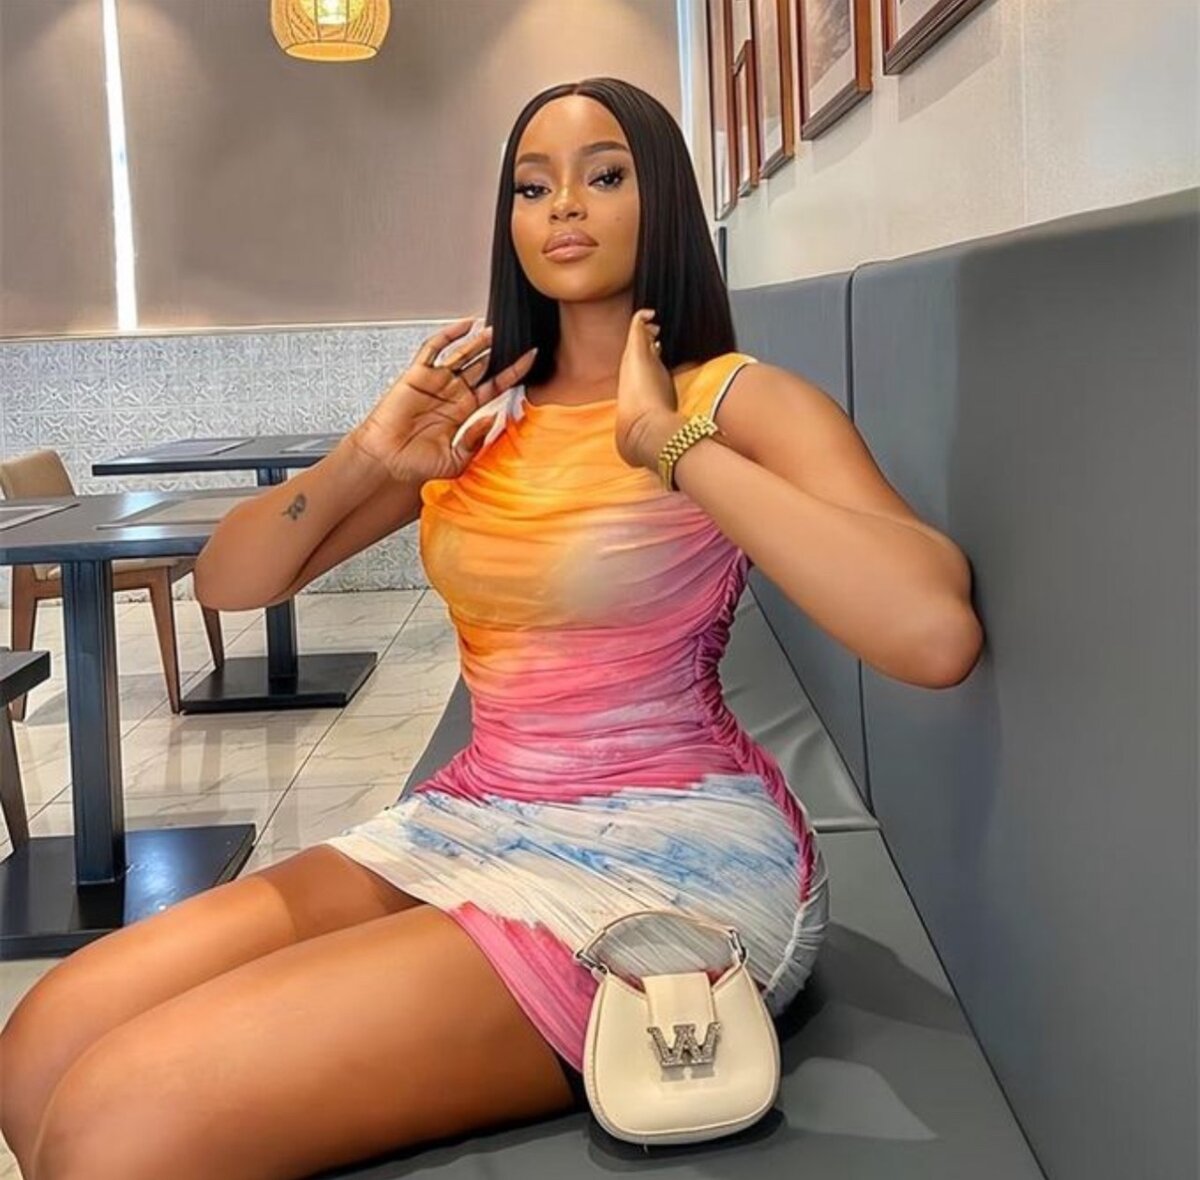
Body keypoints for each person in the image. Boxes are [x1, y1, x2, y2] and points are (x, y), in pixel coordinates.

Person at [0, 78, 982, 1180]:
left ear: (661, 198)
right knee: (39, 1044)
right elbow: (230, 583)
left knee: (116, 1123)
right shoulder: (483, 419)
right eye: (531, 185)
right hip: (477, 813)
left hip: (672, 860)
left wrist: (669, 446)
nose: (564, 205)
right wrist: (370, 451)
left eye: (604, 175)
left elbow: (931, 633)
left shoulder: (730, 399)